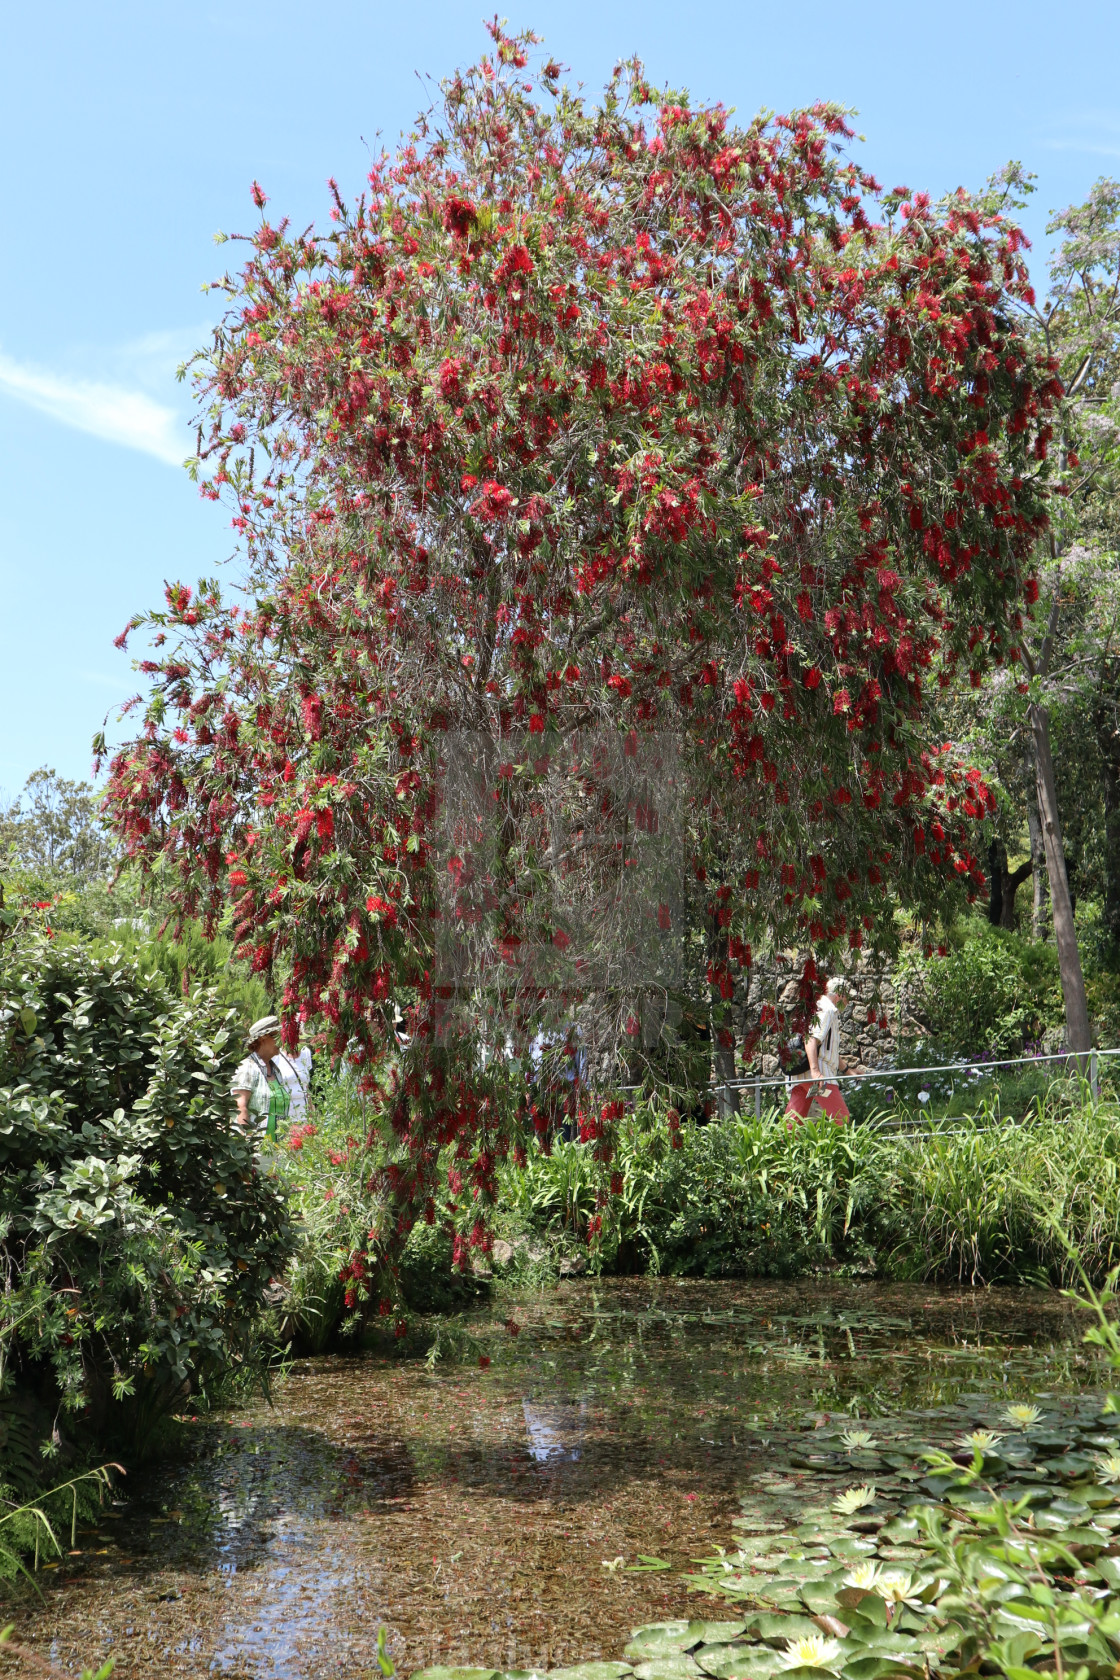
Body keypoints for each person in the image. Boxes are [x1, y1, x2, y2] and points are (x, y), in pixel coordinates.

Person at [784, 976, 862, 1123]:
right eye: (847, 997)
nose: (848, 1002)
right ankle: (841, 1146)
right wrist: (815, 1071)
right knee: (841, 1118)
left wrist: (847, 1071)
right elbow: (811, 1039)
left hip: (801, 1077)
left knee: (792, 1124)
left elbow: (826, 1049)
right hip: (819, 1078)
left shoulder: (818, 1007)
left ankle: (780, 1145)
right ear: (839, 995)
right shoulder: (827, 1010)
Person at [231, 1015, 295, 1144]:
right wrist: (247, 1143)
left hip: (278, 1148)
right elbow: (240, 1107)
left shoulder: (275, 1070)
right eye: (276, 1036)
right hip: (256, 1150)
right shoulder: (247, 1068)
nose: (281, 1041)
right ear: (262, 1039)